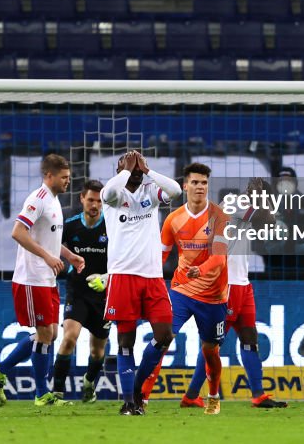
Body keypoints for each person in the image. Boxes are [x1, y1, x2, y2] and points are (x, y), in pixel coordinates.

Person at [0, 154, 84, 407]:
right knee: (43, 334)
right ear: (48, 176)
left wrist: (68, 255)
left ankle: (0, 369)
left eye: (69, 177)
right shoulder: (37, 199)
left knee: (49, 334)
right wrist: (49, 258)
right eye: (63, 178)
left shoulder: (54, 201)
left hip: (47, 278)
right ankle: (41, 394)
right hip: (31, 277)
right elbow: (18, 232)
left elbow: (48, 238)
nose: (67, 182)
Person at [178, 178, 287, 410]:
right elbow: (265, 218)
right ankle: (191, 395)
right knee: (212, 345)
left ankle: (258, 395)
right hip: (224, 286)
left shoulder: (250, 208)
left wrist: (262, 199)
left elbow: (267, 224)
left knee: (250, 339)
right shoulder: (233, 204)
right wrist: (261, 198)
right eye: (257, 192)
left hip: (243, 286)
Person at [139, 163, 229, 414]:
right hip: (181, 290)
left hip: (213, 295)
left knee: (210, 350)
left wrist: (200, 270)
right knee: (162, 339)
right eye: (196, 182)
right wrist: (149, 283)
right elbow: (160, 256)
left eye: (204, 183)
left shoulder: (220, 217)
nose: (200, 187)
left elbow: (220, 258)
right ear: (186, 185)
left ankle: (212, 396)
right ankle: (142, 398)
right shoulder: (173, 219)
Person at [100, 150, 183, 416]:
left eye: (138, 167)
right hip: (123, 275)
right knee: (125, 341)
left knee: (164, 336)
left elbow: (176, 190)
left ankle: (136, 390)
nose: (135, 170)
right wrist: (127, 168)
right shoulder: (113, 196)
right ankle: (128, 402)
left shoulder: (150, 192)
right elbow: (108, 191)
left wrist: (147, 171)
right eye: (130, 168)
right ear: (120, 170)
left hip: (153, 277)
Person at [52, 180, 110, 404]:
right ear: (82, 200)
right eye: (91, 200)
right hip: (77, 291)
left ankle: (89, 382)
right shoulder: (71, 225)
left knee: (97, 351)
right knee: (69, 338)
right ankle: (57, 393)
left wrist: (106, 279)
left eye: (99, 201)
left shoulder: (112, 227)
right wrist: (67, 257)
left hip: (104, 295)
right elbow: (51, 242)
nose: (95, 205)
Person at [251, 167, 304, 278]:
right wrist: (268, 247)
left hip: (302, 264)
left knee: (302, 292)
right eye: (281, 181)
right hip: (275, 264)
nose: (285, 184)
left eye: (289, 181)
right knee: (276, 293)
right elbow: (255, 237)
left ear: (295, 182)